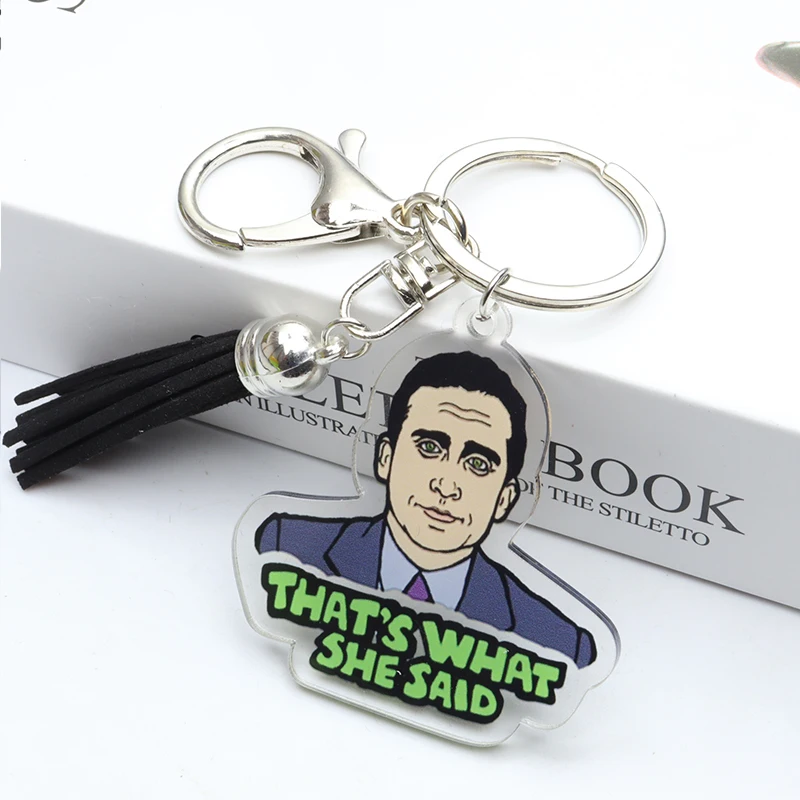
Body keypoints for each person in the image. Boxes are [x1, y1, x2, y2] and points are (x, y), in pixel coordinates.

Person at [255, 351, 596, 668]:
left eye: (478, 464)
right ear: (386, 458)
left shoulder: (557, 646)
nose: (447, 486)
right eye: (430, 447)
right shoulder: (285, 547)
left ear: (504, 500)